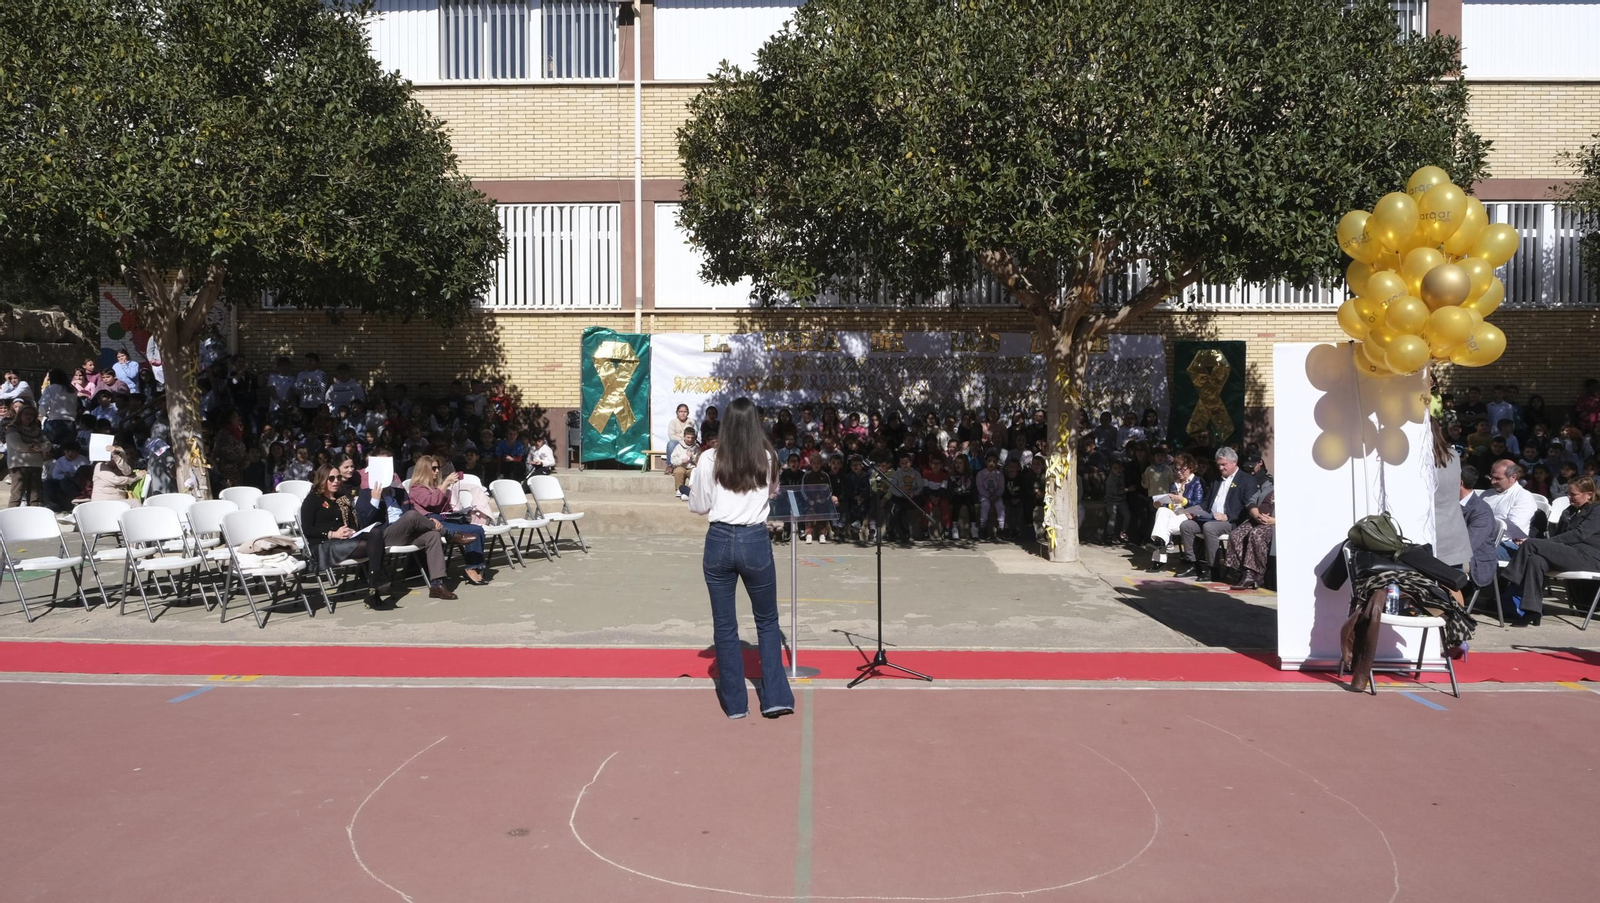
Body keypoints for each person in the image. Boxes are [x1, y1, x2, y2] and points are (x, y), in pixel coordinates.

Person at [686, 396, 794, 720]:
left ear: (726, 424)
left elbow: (699, 504)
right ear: (755, 424)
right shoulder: (768, 457)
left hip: (719, 538)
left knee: (725, 624)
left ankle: (736, 704)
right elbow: (774, 492)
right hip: (754, 538)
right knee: (767, 620)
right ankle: (774, 697)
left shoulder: (709, 459)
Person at [1501, 477, 1600, 627]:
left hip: (1590, 557)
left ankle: (1504, 581)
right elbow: (1558, 535)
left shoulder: (1597, 510)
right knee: (1536, 560)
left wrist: (1543, 543)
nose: (1569, 497)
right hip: (1570, 553)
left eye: (1574, 494)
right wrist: (1546, 544)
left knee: (1531, 544)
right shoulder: (1569, 511)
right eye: (1568, 493)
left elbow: (1579, 534)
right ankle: (1532, 610)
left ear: (1589, 494)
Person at [407, 454, 488, 585]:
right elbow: (431, 502)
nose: (437, 471)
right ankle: (472, 569)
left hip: (444, 518)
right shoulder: (416, 488)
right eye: (433, 468)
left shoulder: (434, 487)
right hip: (431, 522)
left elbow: (444, 506)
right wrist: (444, 485)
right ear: (424, 469)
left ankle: (474, 566)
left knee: (477, 529)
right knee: (472, 531)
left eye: (438, 468)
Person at [1176, 447, 1256, 581]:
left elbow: (1248, 505)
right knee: (1186, 526)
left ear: (1234, 462)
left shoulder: (1246, 480)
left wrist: (1228, 516)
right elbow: (1207, 501)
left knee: (1209, 528)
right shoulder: (1216, 480)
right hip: (1210, 517)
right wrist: (1195, 510)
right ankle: (1192, 564)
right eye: (1218, 464)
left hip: (1231, 521)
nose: (1220, 468)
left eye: (1224, 464)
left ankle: (1213, 569)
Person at [1429, 419, 1473, 596]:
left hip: (1432, 531)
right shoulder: (1453, 456)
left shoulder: (1418, 461)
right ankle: (1456, 623)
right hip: (1453, 529)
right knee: (1452, 586)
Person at [1148, 452, 1203, 572]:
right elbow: (1168, 502)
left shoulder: (1197, 482)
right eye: (1177, 470)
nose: (1179, 473)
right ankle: (1161, 542)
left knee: (1162, 527)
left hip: (1189, 515)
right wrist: (1160, 503)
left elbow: (1199, 504)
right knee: (1161, 511)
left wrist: (1183, 500)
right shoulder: (1175, 484)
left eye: (1182, 470)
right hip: (1174, 514)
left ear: (1191, 467)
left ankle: (1159, 558)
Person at [1483, 459, 1539, 558]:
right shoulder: (1486, 494)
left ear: (1513, 478)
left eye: (1497, 478)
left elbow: (1511, 529)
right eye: (1491, 477)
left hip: (1508, 543)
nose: (1492, 481)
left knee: (1475, 553)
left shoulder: (1523, 497)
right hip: (1482, 539)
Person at [1458, 465, 1498, 594]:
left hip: (1476, 558)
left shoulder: (1481, 510)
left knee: (1435, 563)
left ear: (1459, 482)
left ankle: (1446, 602)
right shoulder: (1449, 503)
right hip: (1451, 551)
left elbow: (1469, 545)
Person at [5, 404, 46, 506]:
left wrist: (32, 447)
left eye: (32, 414)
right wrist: (38, 448)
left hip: (36, 465)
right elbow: (18, 446)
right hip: (19, 465)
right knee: (16, 496)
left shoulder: (37, 430)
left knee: (34, 497)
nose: (29, 416)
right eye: (26, 413)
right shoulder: (12, 429)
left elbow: (48, 445)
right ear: (20, 414)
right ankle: (10, 519)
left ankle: (33, 518)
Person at [670, 426, 699, 499]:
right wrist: (681, 461)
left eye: (692, 438)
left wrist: (692, 457)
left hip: (692, 467)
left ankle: (691, 491)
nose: (690, 440)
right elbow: (673, 459)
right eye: (688, 437)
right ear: (684, 437)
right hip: (681, 466)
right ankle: (679, 489)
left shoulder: (697, 447)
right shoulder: (678, 447)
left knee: (696, 473)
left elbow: (699, 461)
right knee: (678, 471)